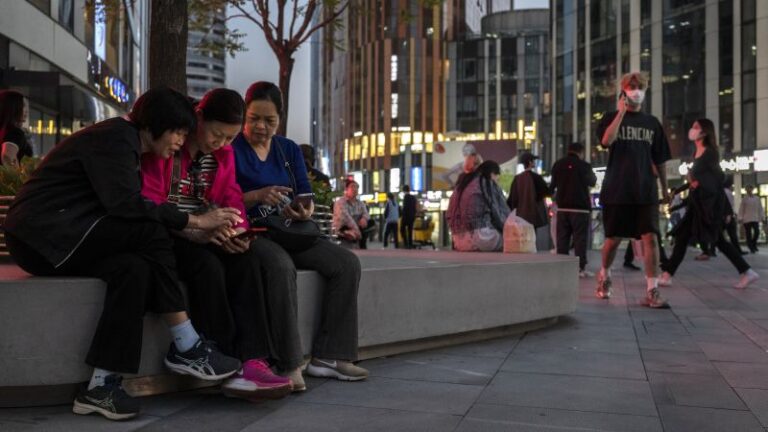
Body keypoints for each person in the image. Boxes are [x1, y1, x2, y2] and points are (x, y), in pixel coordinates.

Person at [2, 87, 242, 420]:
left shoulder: (127, 144)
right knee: (150, 232)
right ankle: (186, 342)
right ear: (157, 124)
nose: (179, 142)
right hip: (42, 236)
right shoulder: (115, 138)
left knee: (134, 270)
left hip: (66, 235)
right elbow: (125, 204)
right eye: (178, 132)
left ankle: (102, 384)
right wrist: (195, 221)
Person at [140, 88, 293, 398]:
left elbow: (231, 196)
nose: (221, 144)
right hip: (169, 233)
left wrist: (236, 230)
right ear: (199, 117)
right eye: (217, 134)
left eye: (229, 139)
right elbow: (150, 199)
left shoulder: (222, 155)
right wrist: (196, 229)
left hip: (205, 231)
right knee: (206, 265)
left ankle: (253, 360)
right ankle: (225, 359)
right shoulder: (169, 144)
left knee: (247, 260)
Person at [232, 81, 368, 388]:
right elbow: (222, 197)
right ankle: (289, 362)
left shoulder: (288, 149)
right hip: (254, 234)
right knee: (281, 267)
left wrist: (303, 211)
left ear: (280, 119)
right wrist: (256, 196)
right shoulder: (232, 149)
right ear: (244, 114)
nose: (261, 127)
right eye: (254, 118)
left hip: (292, 230)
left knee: (346, 264)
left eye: (270, 120)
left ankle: (329, 356)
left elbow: (305, 196)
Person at [595, 71, 671, 308]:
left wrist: (665, 189)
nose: (635, 90)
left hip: (645, 190)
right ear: (623, 90)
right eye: (631, 86)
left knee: (651, 237)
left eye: (639, 86)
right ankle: (605, 275)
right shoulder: (610, 117)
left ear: (645, 90)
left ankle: (652, 289)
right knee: (613, 239)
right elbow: (606, 141)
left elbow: (660, 160)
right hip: (617, 189)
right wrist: (621, 112)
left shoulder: (652, 124)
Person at [659, 119, 759, 289]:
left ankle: (747, 271)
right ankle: (667, 274)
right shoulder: (697, 153)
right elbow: (696, 180)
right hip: (696, 205)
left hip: (707, 207)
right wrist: (685, 186)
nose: (692, 129)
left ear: (704, 132)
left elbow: (719, 178)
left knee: (718, 240)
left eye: (696, 127)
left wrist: (699, 183)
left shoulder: (710, 153)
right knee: (684, 238)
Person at [550, 142, 597, 277]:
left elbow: (552, 187)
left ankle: (562, 267)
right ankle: (580, 269)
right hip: (580, 209)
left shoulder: (558, 165)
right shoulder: (584, 166)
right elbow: (593, 182)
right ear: (581, 152)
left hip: (563, 208)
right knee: (580, 240)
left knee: (562, 239)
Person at [447, 160, 510, 252]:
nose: (497, 181)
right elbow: (500, 214)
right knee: (511, 241)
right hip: (482, 238)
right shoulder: (486, 183)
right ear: (492, 174)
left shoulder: (461, 184)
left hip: (458, 241)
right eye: (497, 178)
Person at [507, 152, 549, 229]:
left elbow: (512, 198)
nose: (534, 162)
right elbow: (546, 192)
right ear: (530, 162)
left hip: (520, 216)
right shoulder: (537, 178)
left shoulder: (517, 178)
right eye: (533, 160)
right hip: (534, 215)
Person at [333, 178, 375, 249]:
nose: (355, 189)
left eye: (356, 187)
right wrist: (357, 230)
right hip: (343, 230)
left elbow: (366, 214)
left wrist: (364, 218)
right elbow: (346, 218)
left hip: (356, 230)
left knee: (371, 222)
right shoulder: (340, 202)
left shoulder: (360, 203)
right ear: (346, 189)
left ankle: (360, 242)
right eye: (352, 187)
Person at [0, 90, 33, 167]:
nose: (26, 111)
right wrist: (17, 177)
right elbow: (7, 156)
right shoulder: (15, 132)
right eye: (23, 105)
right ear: (13, 107)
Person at [723, 176, 747, 254]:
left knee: (718, 234)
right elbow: (729, 204)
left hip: (723, 215)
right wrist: (730, 214)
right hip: (728, 215)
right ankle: (738, 250)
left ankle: (711, 250)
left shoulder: (722, 191)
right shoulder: (728, 192)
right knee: (732, 234)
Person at [739, 185, 763, 253]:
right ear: (746, 190)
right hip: (747, 219)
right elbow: (741, 209)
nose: (749, 190)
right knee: (748, 234)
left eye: (750, 188)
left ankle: (753, 244)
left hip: (755, 218)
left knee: (757, 232)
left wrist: (761, 216)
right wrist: (740, 218)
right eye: (747, 189)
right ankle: (751, 247)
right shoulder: (744, 199)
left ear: (752, 189)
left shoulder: (757, 198)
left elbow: (760, 208)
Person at [401, 184, 417, 248]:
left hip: (406, 217)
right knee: (410, 230)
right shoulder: (413, 197)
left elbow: (405, 208)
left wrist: (402, 215)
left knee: (402, 229)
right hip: (412, 216)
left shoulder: (405, 197)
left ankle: (406, 243)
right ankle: (410, 243)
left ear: (404, 191)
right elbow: (414, 208)